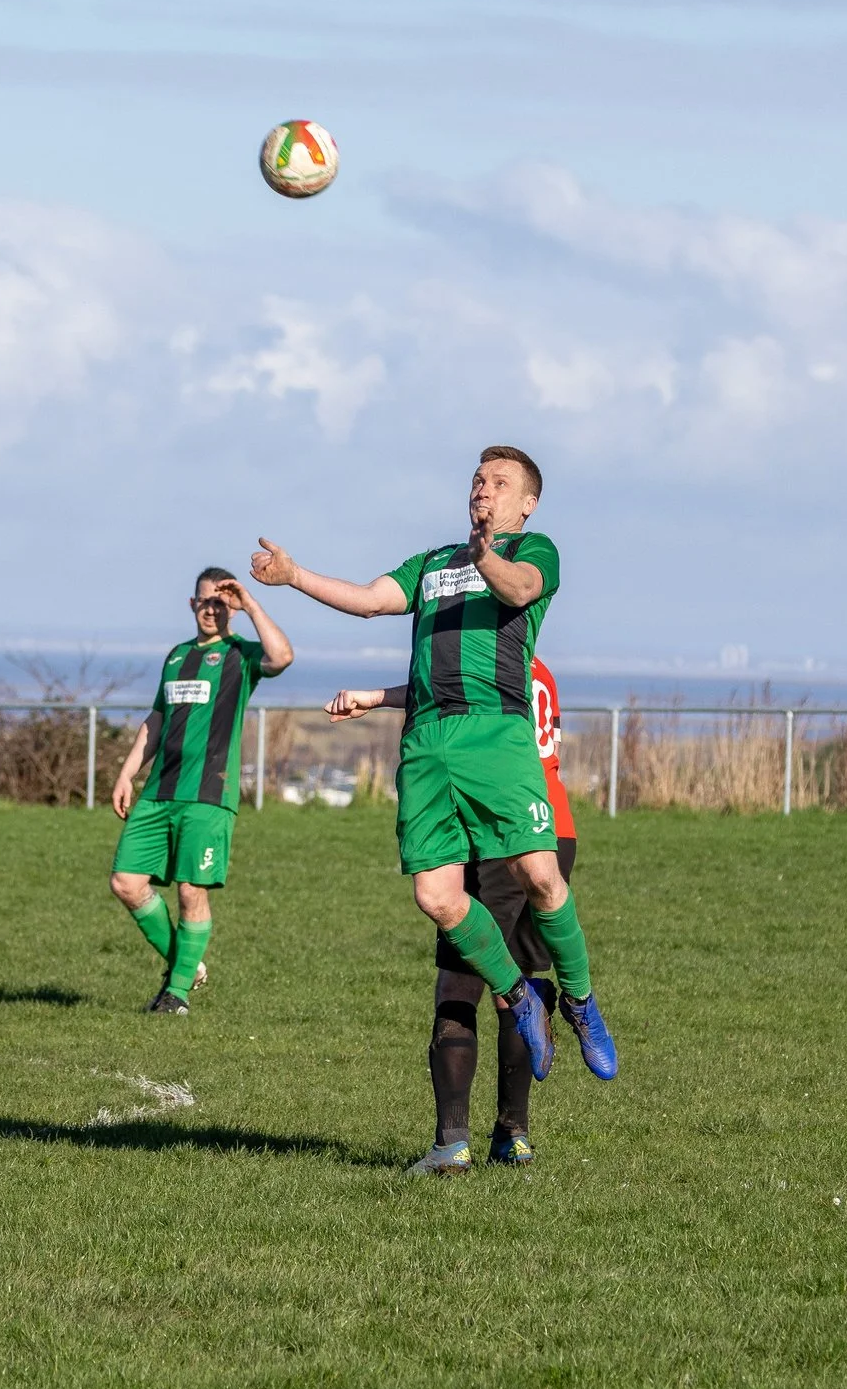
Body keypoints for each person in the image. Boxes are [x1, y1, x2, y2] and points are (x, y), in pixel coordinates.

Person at [253, 444, 615, 1176]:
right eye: (478, 478)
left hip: (495, 731)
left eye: (500, 482)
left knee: (541, 875)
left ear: (527, 502)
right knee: (435, 895)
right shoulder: (433, 562)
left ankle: (578, 999)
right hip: (427, 740)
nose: (483, 488)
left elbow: (517, 590)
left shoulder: (532, 550)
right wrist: (294, 578)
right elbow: (368, 598)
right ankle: (519, 997)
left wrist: (486, 555)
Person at [328, 653, 577, 1170]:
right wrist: (376, 698)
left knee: (461, 985)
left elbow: (445, 694)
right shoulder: (534, 668)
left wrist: (375, 698)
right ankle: (514, 1136)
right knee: (523, 981)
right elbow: (438, 689)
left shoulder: (483, 660)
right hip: (553, 829)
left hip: (496, 833)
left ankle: (452, 1143)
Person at [107, 568, 293, 1013]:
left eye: (221, 602)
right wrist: (127, 773)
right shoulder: (176, 656)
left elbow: (282, 656)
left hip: (210, 794)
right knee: (126, 882)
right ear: (192, 605)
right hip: (158, 792)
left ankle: (176, 994)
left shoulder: (240, 655)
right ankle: (186, 965)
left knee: (192, 891)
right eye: (204, 601)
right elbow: (156, 720)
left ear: (231, 608)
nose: (211, 609)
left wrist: (250, 603)